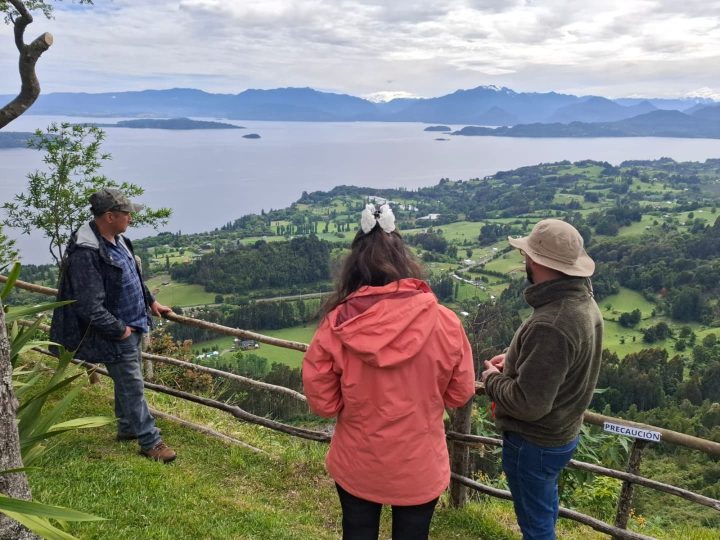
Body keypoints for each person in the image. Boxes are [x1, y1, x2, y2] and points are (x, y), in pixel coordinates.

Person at [302, 203, 476, 540]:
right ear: (404, 261)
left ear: (353, 267)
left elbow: (322, 403)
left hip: (359, 461)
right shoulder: (445, 322)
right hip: (419, 464)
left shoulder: (337, 325)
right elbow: (459, 394)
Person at [480, 219, 603, 539]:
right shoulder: (582, 301)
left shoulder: (553, 322)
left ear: (536, 261)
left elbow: (528, 403)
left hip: (533, 441)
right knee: (543, 508)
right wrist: (517, 358)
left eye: (528, 255)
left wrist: (492, 379)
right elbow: (562, 361)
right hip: (561, 433)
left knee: (534, 525)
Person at [50, 188, 176, 463]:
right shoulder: (86, 254)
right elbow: (87, 305)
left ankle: (128, 427)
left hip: (132, 324)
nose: (131, 218)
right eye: (127, 213)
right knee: (132, 386)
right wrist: (119, 330)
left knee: (127, 382)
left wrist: (152, 302)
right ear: (109, 216)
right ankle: (150, 442)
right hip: (116, 332)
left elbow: (132, 277)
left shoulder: (118, 241)